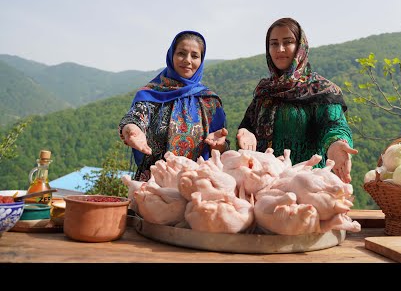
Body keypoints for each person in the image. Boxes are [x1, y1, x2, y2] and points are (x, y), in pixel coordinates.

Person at [236, 17, 358, 183]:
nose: (280, 49)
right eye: (274, 43)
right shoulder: (264, 93)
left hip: (308, 187)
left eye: (288, 42)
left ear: (301, 47)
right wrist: (245, 134)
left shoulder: (321, 90)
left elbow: (335, 126)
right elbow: (248, 129)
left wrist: (336, 144)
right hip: (266, 188)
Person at [119, 30, 229, 181]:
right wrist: (131, 128)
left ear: (201, 60)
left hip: (196, 188)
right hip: (153, 187)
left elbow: (222, 149)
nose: (187, 60)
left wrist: (218, 146)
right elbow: (136, 117)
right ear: (171, 55)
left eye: (195, 56)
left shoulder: (210, 101)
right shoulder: (151, 94)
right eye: (181, 53)